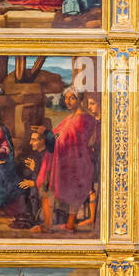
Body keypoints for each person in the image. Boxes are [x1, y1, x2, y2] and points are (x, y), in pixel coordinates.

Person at [34, 87, 99, 233]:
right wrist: (48, 134)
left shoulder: (85, 118)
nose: (68, 101)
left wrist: (46, 133)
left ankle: (65, 225)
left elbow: (72, 140)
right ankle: (49, 225)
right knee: (46, 188)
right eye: (66, 98)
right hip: (61, 158)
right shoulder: (69, 118)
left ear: (80, 100)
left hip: (76, 161)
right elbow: (58, 135)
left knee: (73, 193)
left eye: (72, 98)